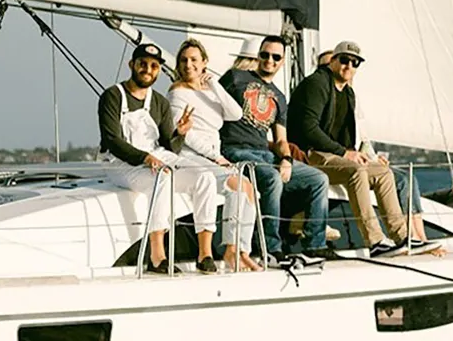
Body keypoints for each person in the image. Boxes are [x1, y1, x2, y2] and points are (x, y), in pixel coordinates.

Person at [287, 40, 438, 257]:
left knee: (383, 173)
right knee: (356, 172)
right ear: (333, 61)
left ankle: (402, 237)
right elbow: (308, 128)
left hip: (335, 155)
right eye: (345, 60)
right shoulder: (317, 84)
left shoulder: (348, 93)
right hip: (311, 155)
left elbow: (350, 136)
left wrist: (362, 155)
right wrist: (345, 153)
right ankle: (375, 241)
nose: (349, 66)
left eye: (355, 62)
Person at [98, 43, 219, 274]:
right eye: (142, 64)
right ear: (132, 65)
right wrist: (145, 158)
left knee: (205, 177)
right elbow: (113, 140)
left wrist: (180, 134)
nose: (148, 69)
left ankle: (205, 254)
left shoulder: (160, 102)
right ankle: (157, 255)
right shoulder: (113, 96)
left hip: (155, 155)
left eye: (154, 66)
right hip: (119, 162)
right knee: (162, 178)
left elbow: (168, 146)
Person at [219, 36, 338, 264]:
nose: (269, 60)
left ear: (282, 61)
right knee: (272, 178)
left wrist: (286, 158)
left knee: (319, 178)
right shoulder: (236, 77)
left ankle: (315, 244)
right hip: (235, 150)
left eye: (276, 57)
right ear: (258, 55)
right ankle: (270, 247)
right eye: (265, 55)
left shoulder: (280, 98)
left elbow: (281, 139)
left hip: (265, 154)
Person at [168, 39, 262, 272]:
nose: (188, 65)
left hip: (213, 157)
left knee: (249, 188)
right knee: (238, 185)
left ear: (204, 64)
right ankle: (231, 251)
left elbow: (236, 113)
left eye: (193, 60)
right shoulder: (177, 93)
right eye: (183, 60)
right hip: (193, 156)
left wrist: (216, 87)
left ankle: (240, 250)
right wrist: (215, 157)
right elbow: (186, 135)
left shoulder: (210, 92)